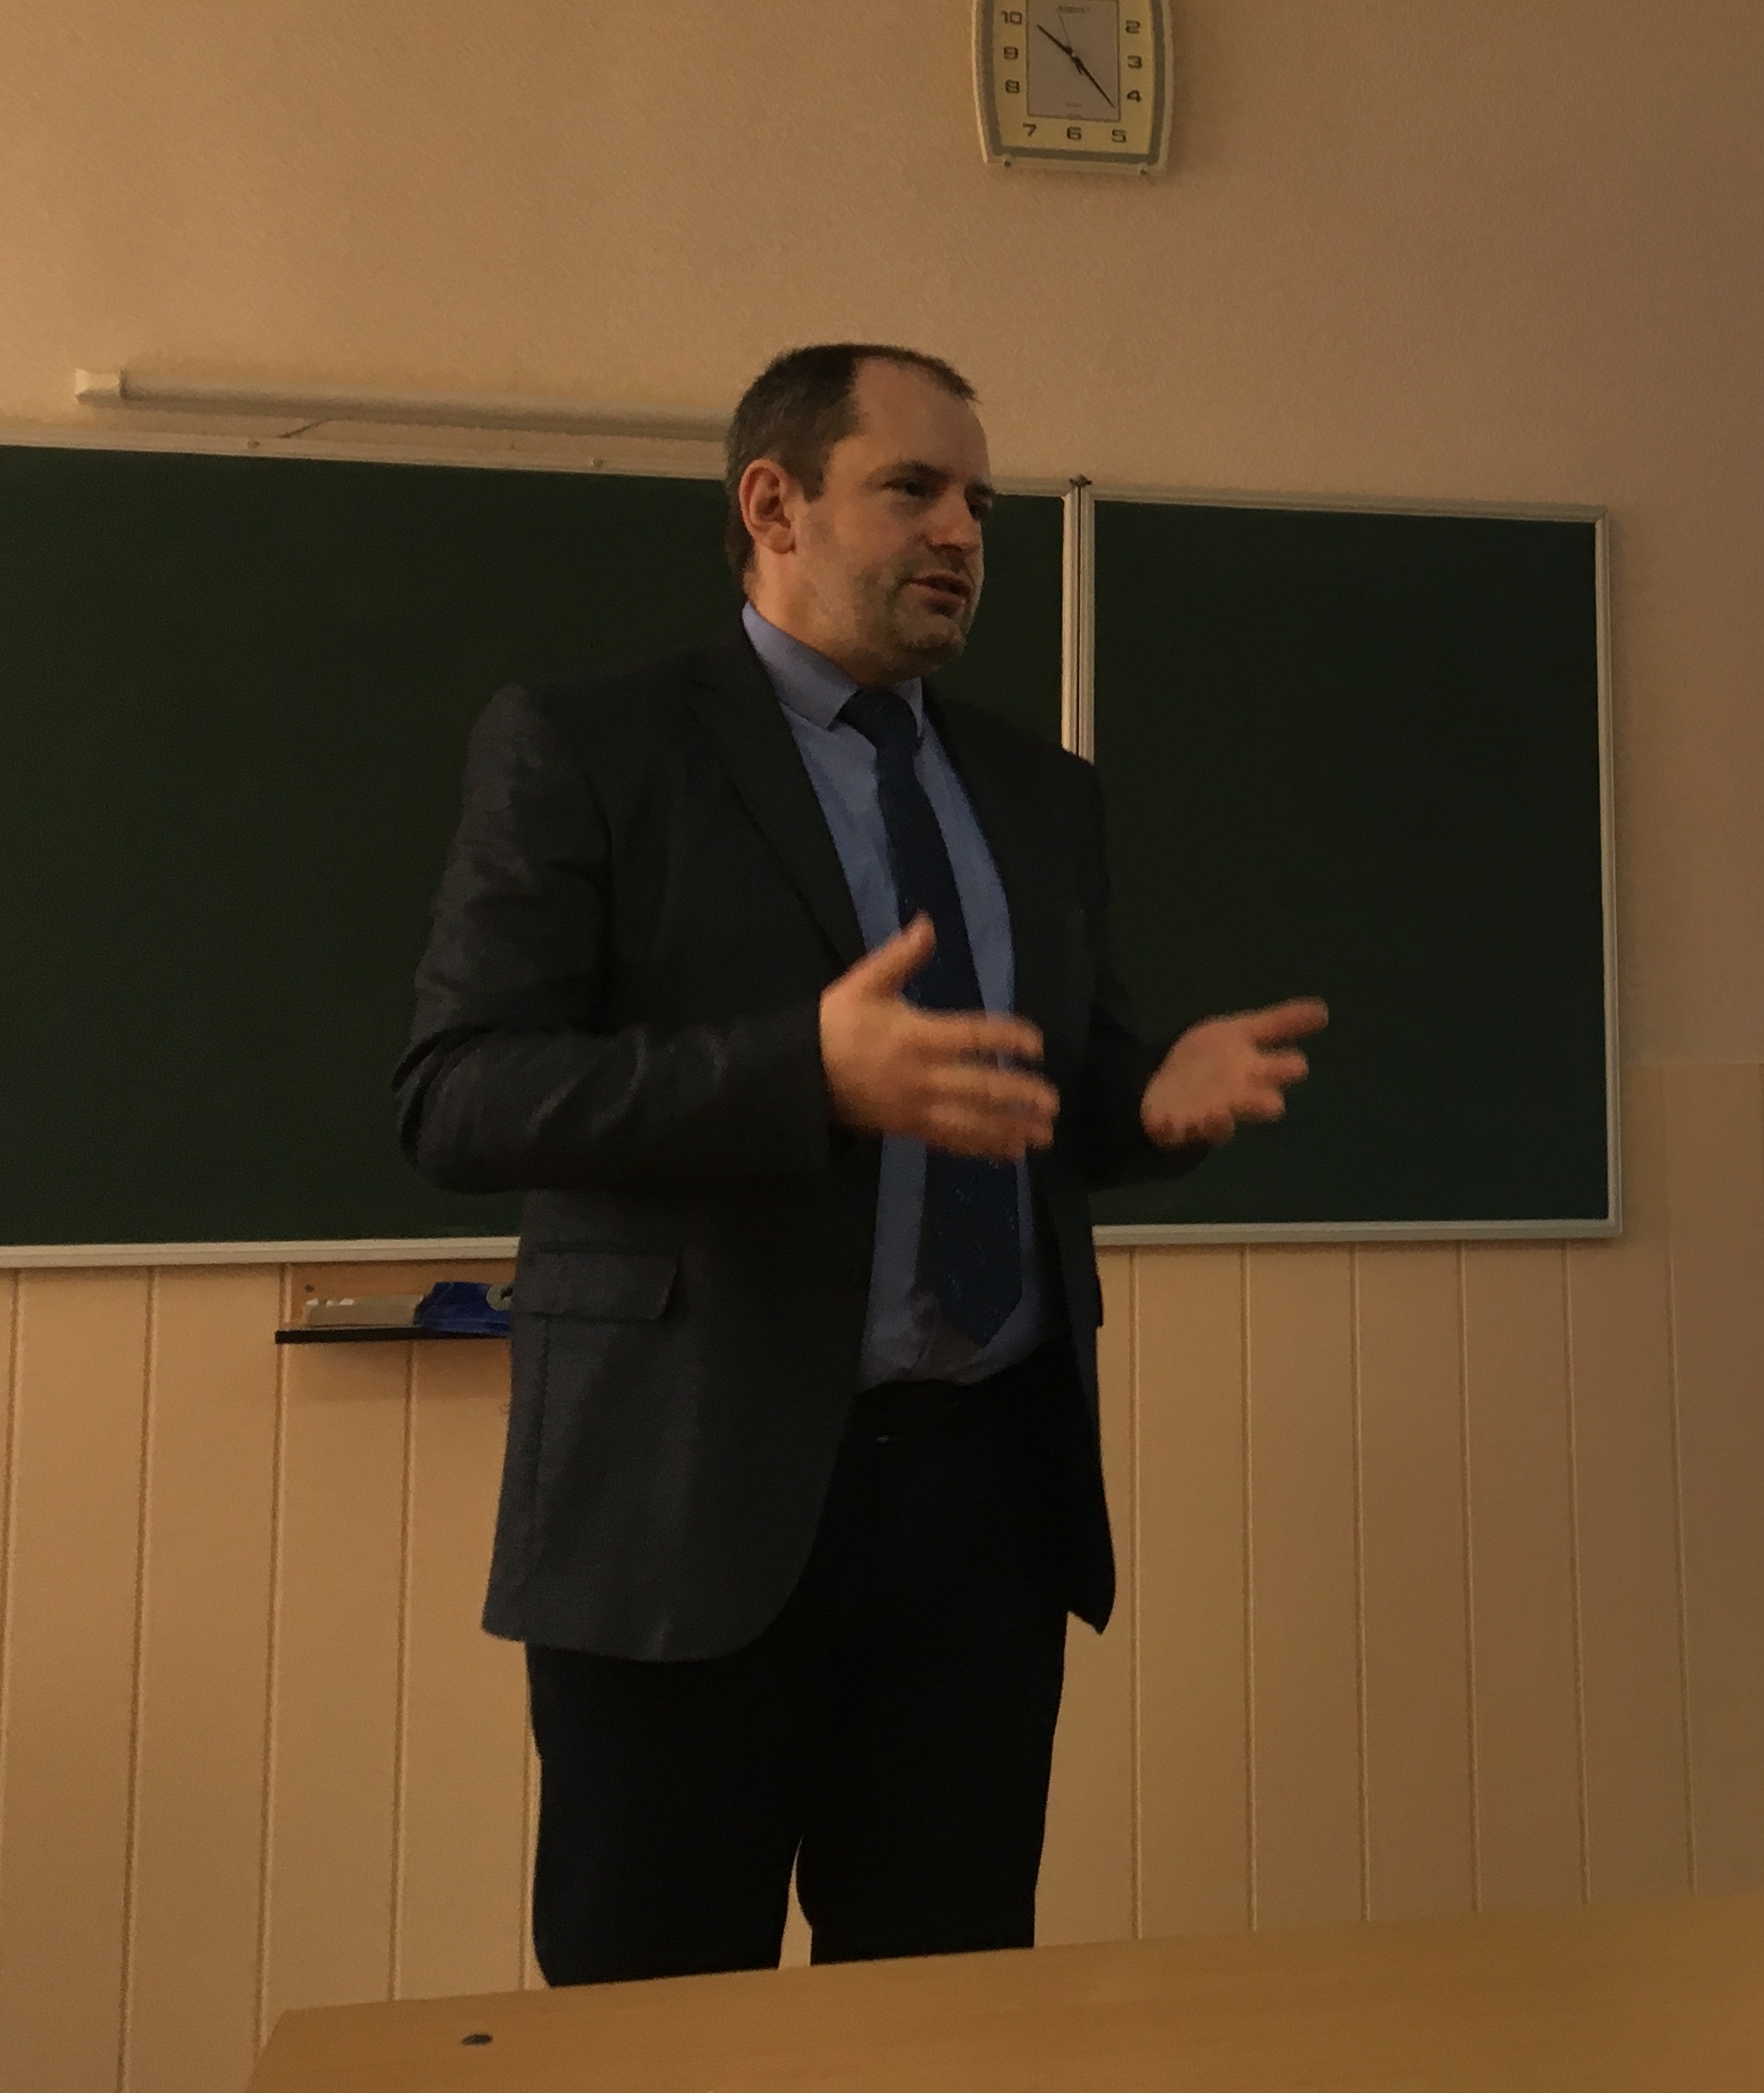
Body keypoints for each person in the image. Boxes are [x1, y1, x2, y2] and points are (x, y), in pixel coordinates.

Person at [394, 341, 1325, 1985]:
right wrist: (800, 1075)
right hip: (688, 1510)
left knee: (948, 2015)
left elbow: (1041, 1095)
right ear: (775, 505)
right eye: (913, 488)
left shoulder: (1038, 795)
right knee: (656, 2029)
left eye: (980, 501)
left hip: (981, 1514)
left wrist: (1146, 1105)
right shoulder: (594, 749)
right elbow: (459, 1096)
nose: (962, 531)